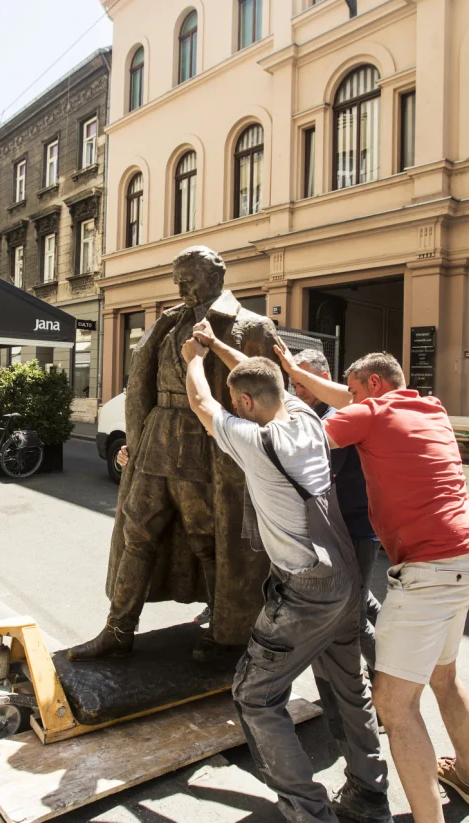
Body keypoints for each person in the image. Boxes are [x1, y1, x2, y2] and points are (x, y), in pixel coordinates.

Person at [184, 331, 391, 823]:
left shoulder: (255, 440)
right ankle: (370, 794)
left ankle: (307, 810)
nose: (236, 406)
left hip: (306, 589)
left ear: (246, 402)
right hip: (346, 579)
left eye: (240, 401)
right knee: (349, 688)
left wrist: (193, 358)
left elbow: (201, 401)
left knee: (255, 695)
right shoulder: (306, 418)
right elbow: (264, 379)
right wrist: (216, 345)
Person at [278, 348, 469, 822]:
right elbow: (354, 401)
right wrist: (296, 373)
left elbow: (302, 441)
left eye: (352, 393)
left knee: (395, 708)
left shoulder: (369, 416)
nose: (345, 402)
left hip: (429, 572)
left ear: (373, 386)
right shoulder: (427, 406)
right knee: (444, 677)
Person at [69, 246, 280, 663]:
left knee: (209, 540)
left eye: (188, 277)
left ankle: (225, 632)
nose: (180, 286)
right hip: (157, 440)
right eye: (177, 278)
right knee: (136, 533)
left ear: (215, 275)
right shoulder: (169, 322)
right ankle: (118, 629)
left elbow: (269, 398)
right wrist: (136, 435)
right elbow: (141, 382)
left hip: (206, 443)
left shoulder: (252, 326)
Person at [290, 348, 382, 674]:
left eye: (302, 384)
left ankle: (390, 689)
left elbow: (316, 473)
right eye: (294, 385)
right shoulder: (316, 414)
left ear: (324, 379)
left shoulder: (337, 418)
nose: (297, 392)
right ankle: (397, 651)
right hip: (347, 529)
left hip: (355, 530)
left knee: (353, 620)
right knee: (364, 600)